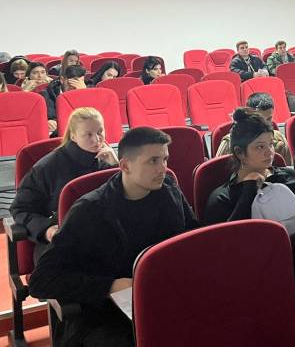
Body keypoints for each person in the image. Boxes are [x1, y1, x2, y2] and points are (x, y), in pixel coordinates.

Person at [28, 126, 199, 347]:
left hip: (164, 295)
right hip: (107, 313)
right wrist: (109, 286)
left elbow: (192, 238)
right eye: (153, 161)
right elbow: (42, 280)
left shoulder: (169, 191)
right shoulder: (89, 210)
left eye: (165, 159)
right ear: (125, 165)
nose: (163, 168)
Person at [10, 108, 118, 262]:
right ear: (73, 136)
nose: (97, 140)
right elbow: (20, 208)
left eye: (100, 132)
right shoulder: (47, 167)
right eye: (88, 134)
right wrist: (46, 229)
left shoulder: (108, 160)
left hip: (104, 236)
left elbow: (124, 201)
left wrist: (116, 168)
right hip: (63, 239)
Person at [205, 109, 295, 225]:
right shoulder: (222, 199)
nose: (270, 152)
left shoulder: (288, 176)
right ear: (239, 152)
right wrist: (248, 191)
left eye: (271, 144)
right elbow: (228, 235)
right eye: (260, 147)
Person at [215, 92, 292, 165]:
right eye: (259, 120)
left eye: (269, 119)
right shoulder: (229, 143)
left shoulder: (280, 139)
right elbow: (217, 171)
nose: (264, 124)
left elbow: (287, 166)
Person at [42, 65, 88, 134]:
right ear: (62, 80)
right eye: (74, 81)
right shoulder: (46, 95)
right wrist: (47, 122)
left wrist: (84, 94)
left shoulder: (87, 91)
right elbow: (43, 118)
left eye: (81, 81)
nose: (76, 86)